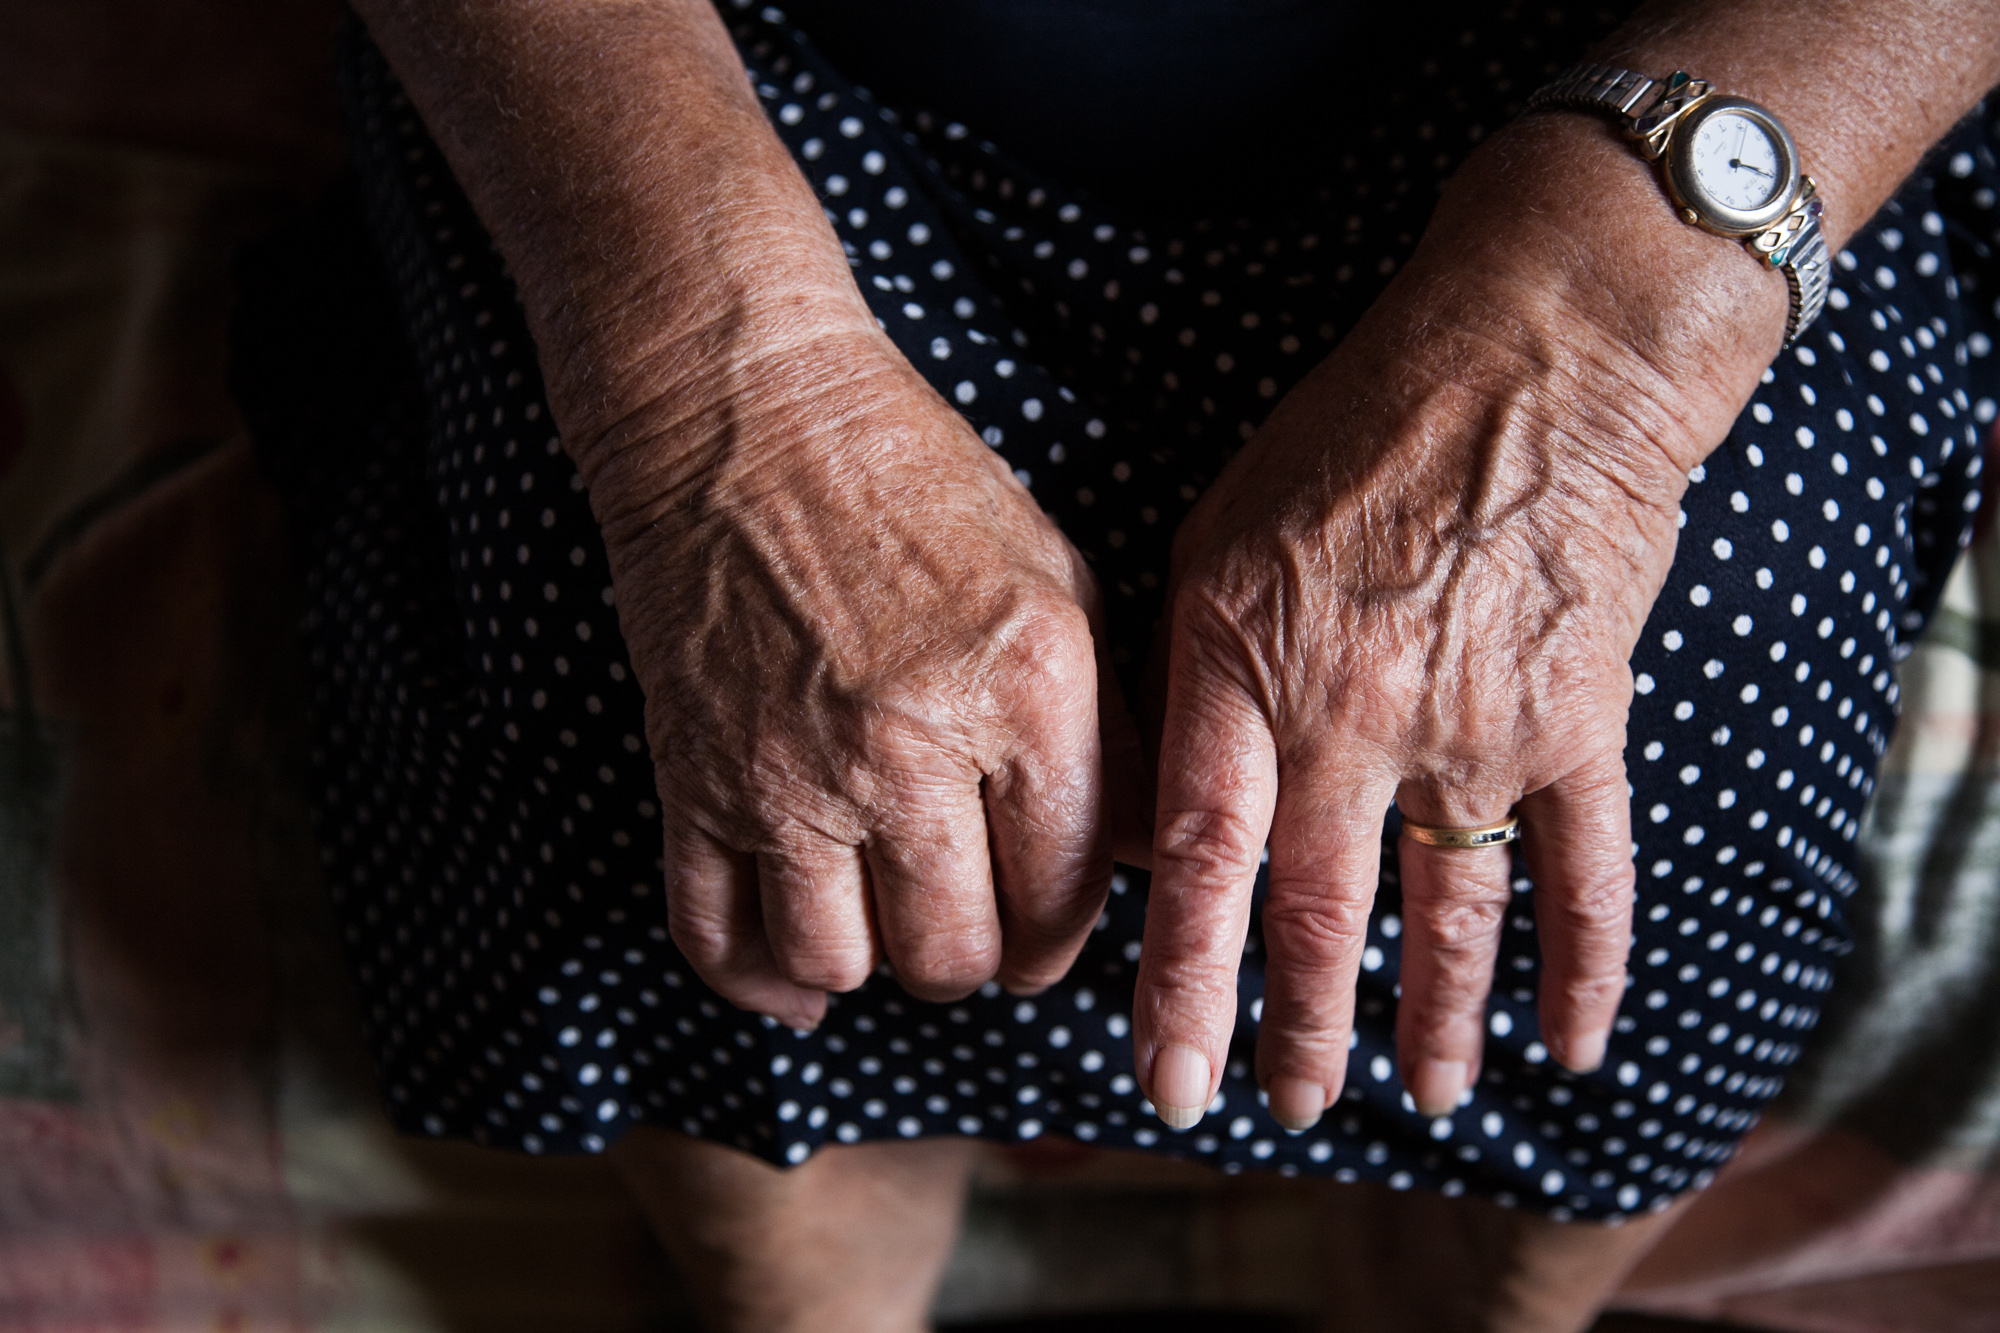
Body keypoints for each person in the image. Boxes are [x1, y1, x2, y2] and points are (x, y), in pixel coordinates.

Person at [232, 0, 2000, 1328]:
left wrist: (1597, 356)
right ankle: (797, 1266)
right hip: (716, 74)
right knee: (669, 711)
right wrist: (718, 390)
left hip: (1651, 78)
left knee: (1680, 698)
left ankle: (1512, 1290)